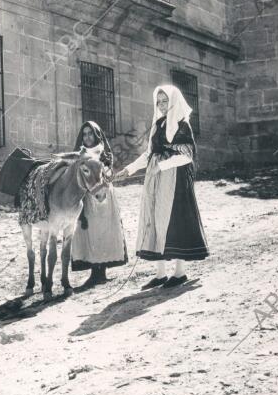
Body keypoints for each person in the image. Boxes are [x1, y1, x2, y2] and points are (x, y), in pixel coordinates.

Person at [114, 86, 208, 288]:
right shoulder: (157, 125)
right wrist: (129, 169)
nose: (162, 105)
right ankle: (160, 273)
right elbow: (149, 154)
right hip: (155, 181)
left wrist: (162, 166)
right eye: (159, 101)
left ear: (174, 101)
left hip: (175, 180)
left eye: (165, 101)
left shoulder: (183, 126)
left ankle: (180, 272)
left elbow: (186, 156)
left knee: (175, 221)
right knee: (154, 220)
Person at [71, 120, 128, 287]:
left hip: (103, 196)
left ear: (96, 135)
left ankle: (102, 271)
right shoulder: (79, 154)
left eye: (91, 134)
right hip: (87, 197)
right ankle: (94, 271)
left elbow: (109, 170)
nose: (88, 137)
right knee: (90, 232)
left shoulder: (103, 152)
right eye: (85, 134)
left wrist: (107, 174)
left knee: (104, 231)